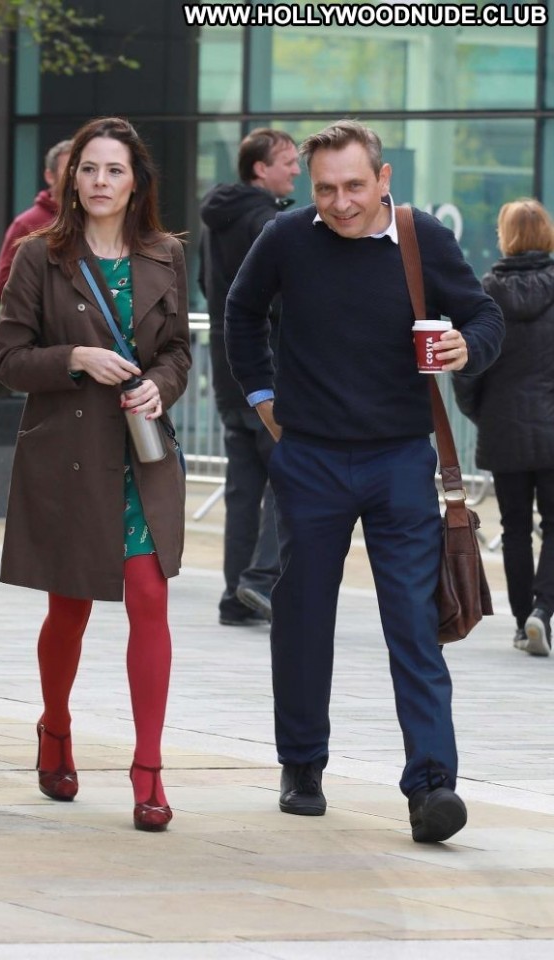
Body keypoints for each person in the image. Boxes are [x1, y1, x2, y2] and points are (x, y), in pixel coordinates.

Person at [224, 119, 504, 843]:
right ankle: (302, 765)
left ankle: (432, 786)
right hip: (310, 460)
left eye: (354, 185)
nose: (340, 202)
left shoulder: (420, 238)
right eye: (324, 189)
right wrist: (262, 398)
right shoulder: (286, 237)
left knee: (413, 622)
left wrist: (466, 345)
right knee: (303, 616)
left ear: (383, 179)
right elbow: (241, 312)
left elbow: (483, 313)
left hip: (400, 460)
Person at [0, 116, 191, 832]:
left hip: (140, 453)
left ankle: (149, 771)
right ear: (69, 179)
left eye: (115, 170)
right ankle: (55, 726)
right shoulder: (38, 256)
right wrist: (75, 358)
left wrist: (159, 387)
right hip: (70, 459)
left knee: (150, 595)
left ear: (136, 181)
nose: (101, 181)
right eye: (89, 168)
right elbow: (9, 360)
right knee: (70, 607)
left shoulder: (166, 254)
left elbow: (177, 352)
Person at [199, 128, 300, 626]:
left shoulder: (215, 221)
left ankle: (235, 598)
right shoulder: (268, 223)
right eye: (288, 161)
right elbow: (282, 296)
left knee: (243, 488)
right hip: (268, 367)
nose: (297, 170)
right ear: (260, 168)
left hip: (227, 367)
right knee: (290, 474)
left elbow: (206, 284)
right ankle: (260, 579)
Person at [453, 198, 554, 658]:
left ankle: (520, 622)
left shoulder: (485, 292)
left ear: (505, 236)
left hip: (504, 427)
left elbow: (467, 365)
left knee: (513, 528)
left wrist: (483, 413)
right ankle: (543, 610)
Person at [0, 138, 72, 299]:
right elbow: (4, 286)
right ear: (50, 176)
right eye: (69, 170)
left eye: (83, 169)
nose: (76, 176)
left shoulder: (96, 220)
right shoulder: (26, 224)